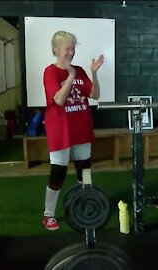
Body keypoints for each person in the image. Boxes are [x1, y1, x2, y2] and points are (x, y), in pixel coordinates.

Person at [42, 30, 104, 230]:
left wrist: (93, 72)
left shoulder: (80, 71)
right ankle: (48, 214)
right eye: (67, 49)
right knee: (58, 173)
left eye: (73, 48)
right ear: (56, 50)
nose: (71, 52)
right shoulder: (50, 72)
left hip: (81, 128)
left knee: (84, 169)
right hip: (60, 130)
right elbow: (59, 100)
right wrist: (70, 76)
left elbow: (95, 94)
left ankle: (84, 202)